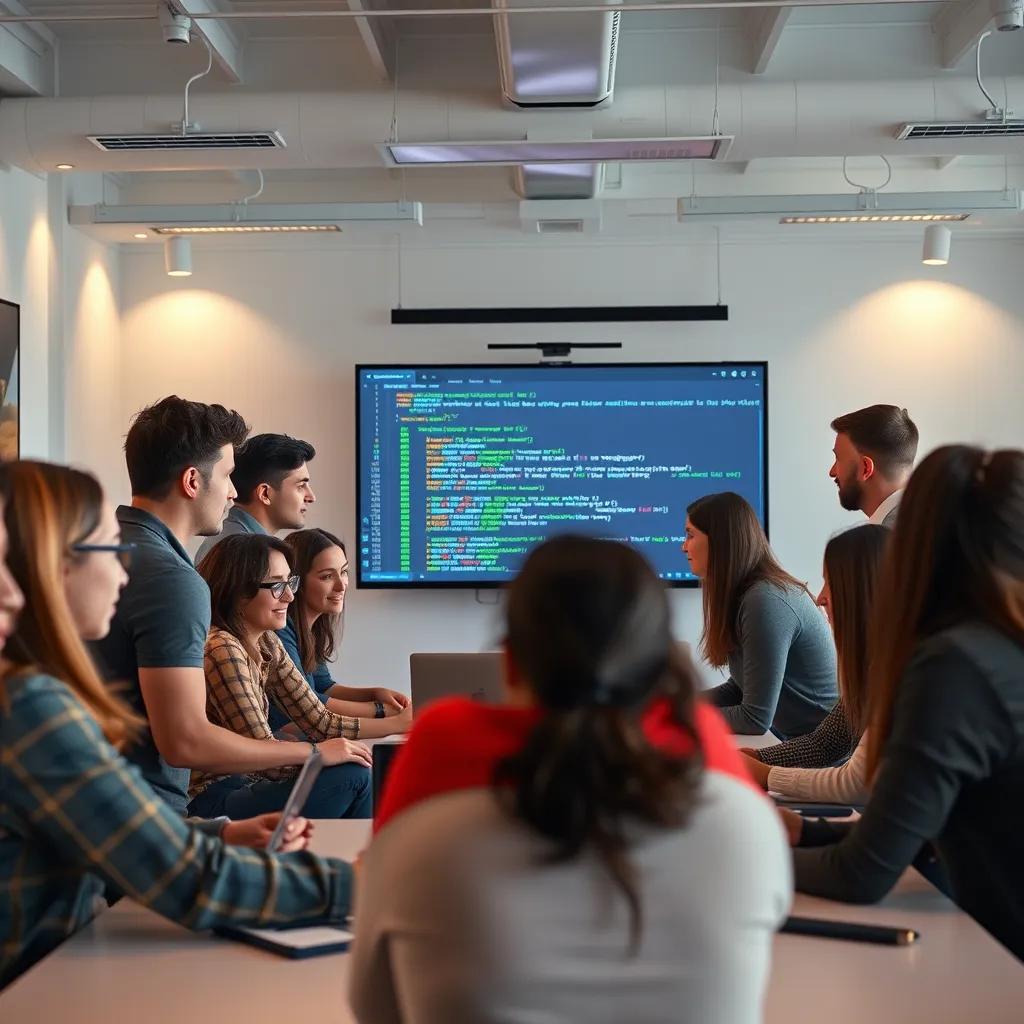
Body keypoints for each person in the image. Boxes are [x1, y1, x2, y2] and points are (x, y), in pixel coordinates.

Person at [349, 536, 791, 1024]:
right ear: (663, 663)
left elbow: (375, 1007)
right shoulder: (744, 819)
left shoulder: (425, 821)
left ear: (511, 663)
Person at [0, 461, 354, 991]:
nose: (124, 572)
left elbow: (103, 835)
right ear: (51, 566)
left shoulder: (38, 694)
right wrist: (361, 885)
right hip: (48, 992)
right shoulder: (27, 706)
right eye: (109, 549)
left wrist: (221, 834)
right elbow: (184, 878)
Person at [786, 446, 1024, 962]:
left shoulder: (954, 666)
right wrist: (804, 830)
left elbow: (862, 873)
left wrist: (727, 855)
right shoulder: (996, 651)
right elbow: (918, 827)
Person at [191, 534, 406, 820]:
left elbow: (321, 720)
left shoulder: (266, 640)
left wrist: (382, 728)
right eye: (277, 586)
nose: (290, 596)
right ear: (238, 592)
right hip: (215, 797)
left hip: (246, 783)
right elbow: (266, 762)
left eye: (289, 583)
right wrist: (317, 753)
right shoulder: (223, 648)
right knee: (354, 774)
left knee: (359, 766)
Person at [740, 524, 888, 804]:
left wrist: (766, 774)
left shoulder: (904, 669)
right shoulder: (874, 664)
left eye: (831, 581)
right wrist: (756, 758)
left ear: (863, 588)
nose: (820, 598)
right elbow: (827, 743)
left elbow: (856, 783)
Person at [682, 492, 837, 738]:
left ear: (721, 541)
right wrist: (681, 705)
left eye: (690, 535)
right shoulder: (748, 595)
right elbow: (742, 687)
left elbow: (754, 718)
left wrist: (684, 715)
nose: (683, 546)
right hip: (790, 740)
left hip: (818, 755)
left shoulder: (764, 600)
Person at [271, 527, 410, 736]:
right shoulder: (280, 633)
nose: (341, 584)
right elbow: (314, 705)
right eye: (327, 576)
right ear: (295, 582)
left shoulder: (310, 629)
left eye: (343, 572)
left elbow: (324, 686)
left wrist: (374, 694)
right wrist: (380, 711)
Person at [195, 432, 316, 562]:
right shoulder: (243, 553)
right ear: (265, 494)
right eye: (300, 486)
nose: (311, 497)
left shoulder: (231, 539)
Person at [830, 405, 918, 526]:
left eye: (838, 458)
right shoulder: (930, 520)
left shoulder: (890, 539)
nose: (832, 472)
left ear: (866, 468)